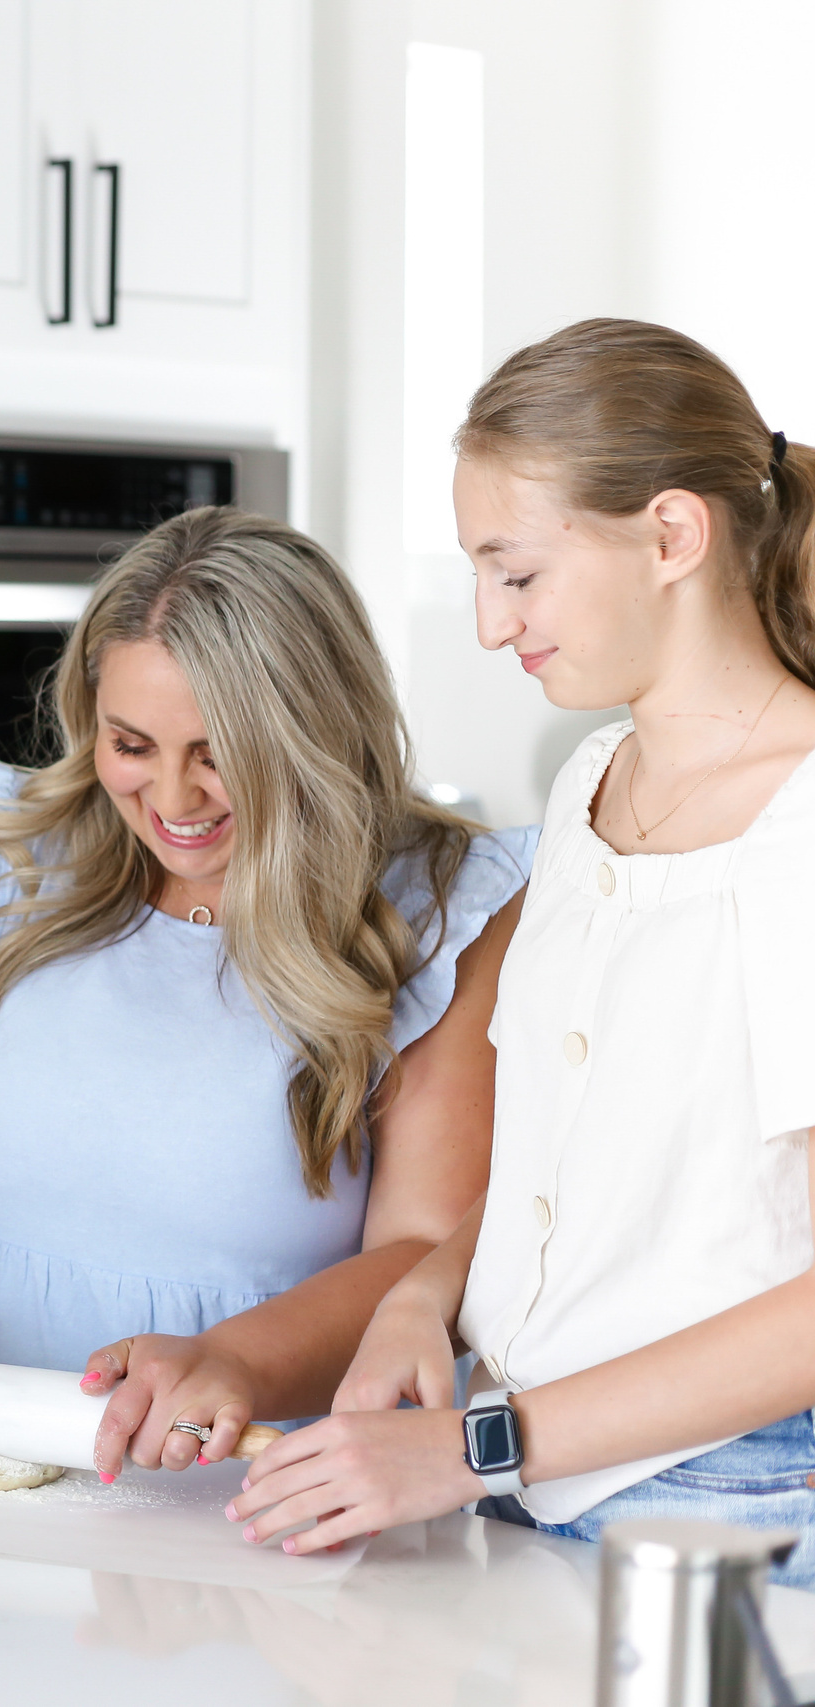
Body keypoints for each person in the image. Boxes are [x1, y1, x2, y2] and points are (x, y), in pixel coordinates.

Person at [0, 507, 537, 1475]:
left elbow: (426, 1247)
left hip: (263, 1490)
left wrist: (236, 1359)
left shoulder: (442, 913)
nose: (171, 800)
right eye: (132, 744)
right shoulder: (3, 864)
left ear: (315, 732)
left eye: (217, 754)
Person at [232, 320, 815, 1577]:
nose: (494, 627)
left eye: (517, 573)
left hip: (730, 1512)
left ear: (670, 536)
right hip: (526, 1481)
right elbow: (592, 1181)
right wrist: (422, 1295)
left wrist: (474, 1447)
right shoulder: (591, 783)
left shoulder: (803, 824)